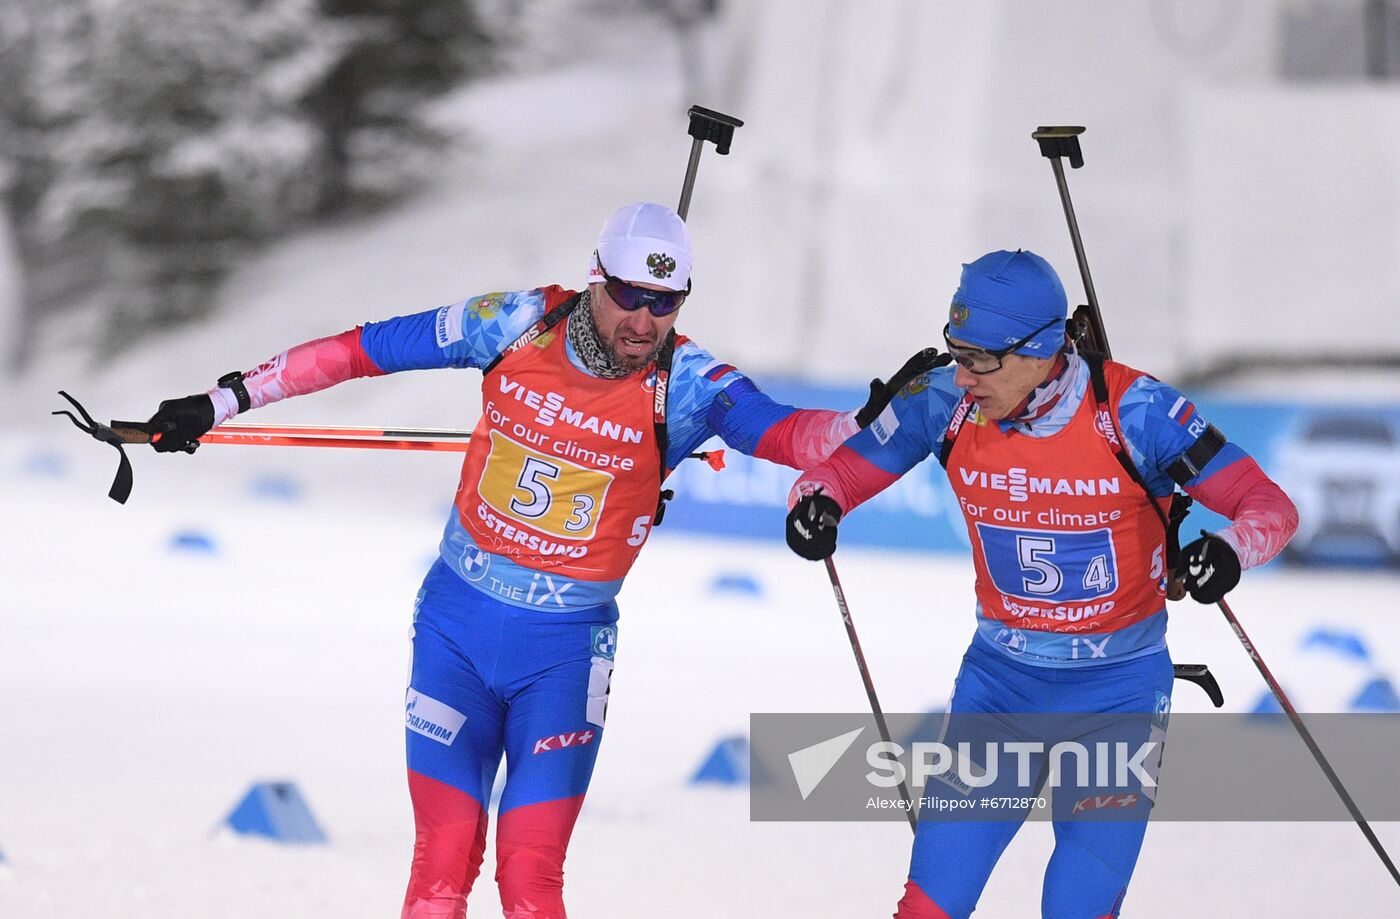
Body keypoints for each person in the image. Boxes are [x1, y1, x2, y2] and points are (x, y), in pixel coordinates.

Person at [144, 201, 922, 919]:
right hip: (455, 628)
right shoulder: (513, 323)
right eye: (630, 295)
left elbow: (783, 434)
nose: (646, 320)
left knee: (529, 874)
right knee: (441, 865)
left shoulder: (688, 384)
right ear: (596, 278)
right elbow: (361, 351)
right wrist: (222, 401)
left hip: (564, 654)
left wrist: (861, 419)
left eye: (668, 301)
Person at [784, 249, 1299, 918]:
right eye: (956, 350)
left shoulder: (1134, 411)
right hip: (999, 688)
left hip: (1119, 695)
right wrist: (814, 505)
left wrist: (1227, 552)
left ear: (1042, 347)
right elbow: (835, 474)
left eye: (982, 358)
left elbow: (1270, 506)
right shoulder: (943, 402)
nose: (963, 374)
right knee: (929, 909)